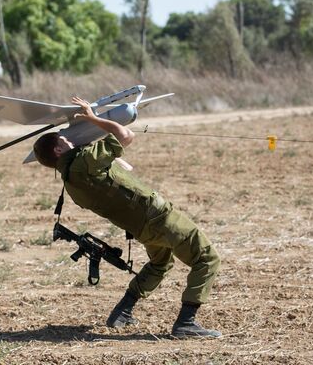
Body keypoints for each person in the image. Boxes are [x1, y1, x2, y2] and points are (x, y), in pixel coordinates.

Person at [33, 96, 221, 339]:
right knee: (206, 258)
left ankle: (123, 311)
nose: (70, 139)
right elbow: (125, 135)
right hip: (158, 217)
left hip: (142, 228)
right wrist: (93, 118)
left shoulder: (71, 184)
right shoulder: (84, 162)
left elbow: (112, 170)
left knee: (160, 263)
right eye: (64, 139)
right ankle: (186, 322)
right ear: (58, 149)